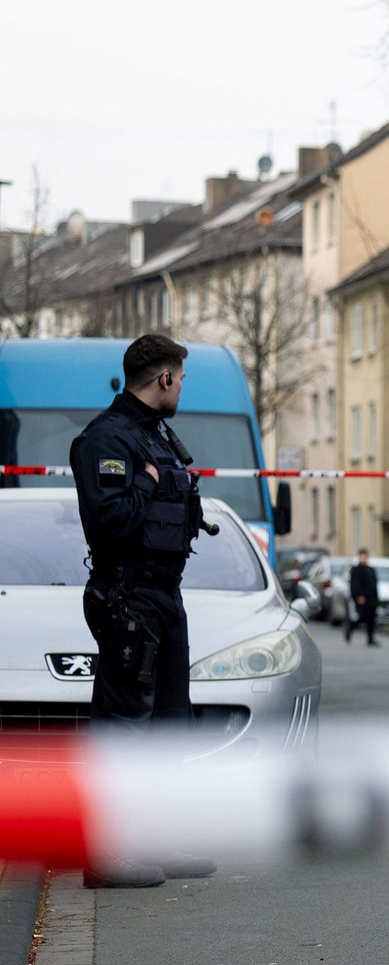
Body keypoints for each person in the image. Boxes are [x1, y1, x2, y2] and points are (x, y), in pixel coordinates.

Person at [67, 333, 217, 889]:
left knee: (169, 724)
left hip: (163, 595)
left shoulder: (155, 436)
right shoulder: (106, 440)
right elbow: (111, 522)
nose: (181, 386)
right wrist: (147, 484)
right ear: (165, 379)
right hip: (128, 596)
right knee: (125, 726)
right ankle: (107, 855)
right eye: (180, 377)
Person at [344, 549, 380, 646]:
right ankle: (351, 628)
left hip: (372, 598)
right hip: (362, 599)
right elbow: (355, 585)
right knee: (362, 617)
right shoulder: (356, 570)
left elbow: (374, 584)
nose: (364, 558)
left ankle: (370, 638)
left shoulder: (370, 569)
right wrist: (358, 596)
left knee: (371, 619)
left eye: (365, 556)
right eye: (362, 556)